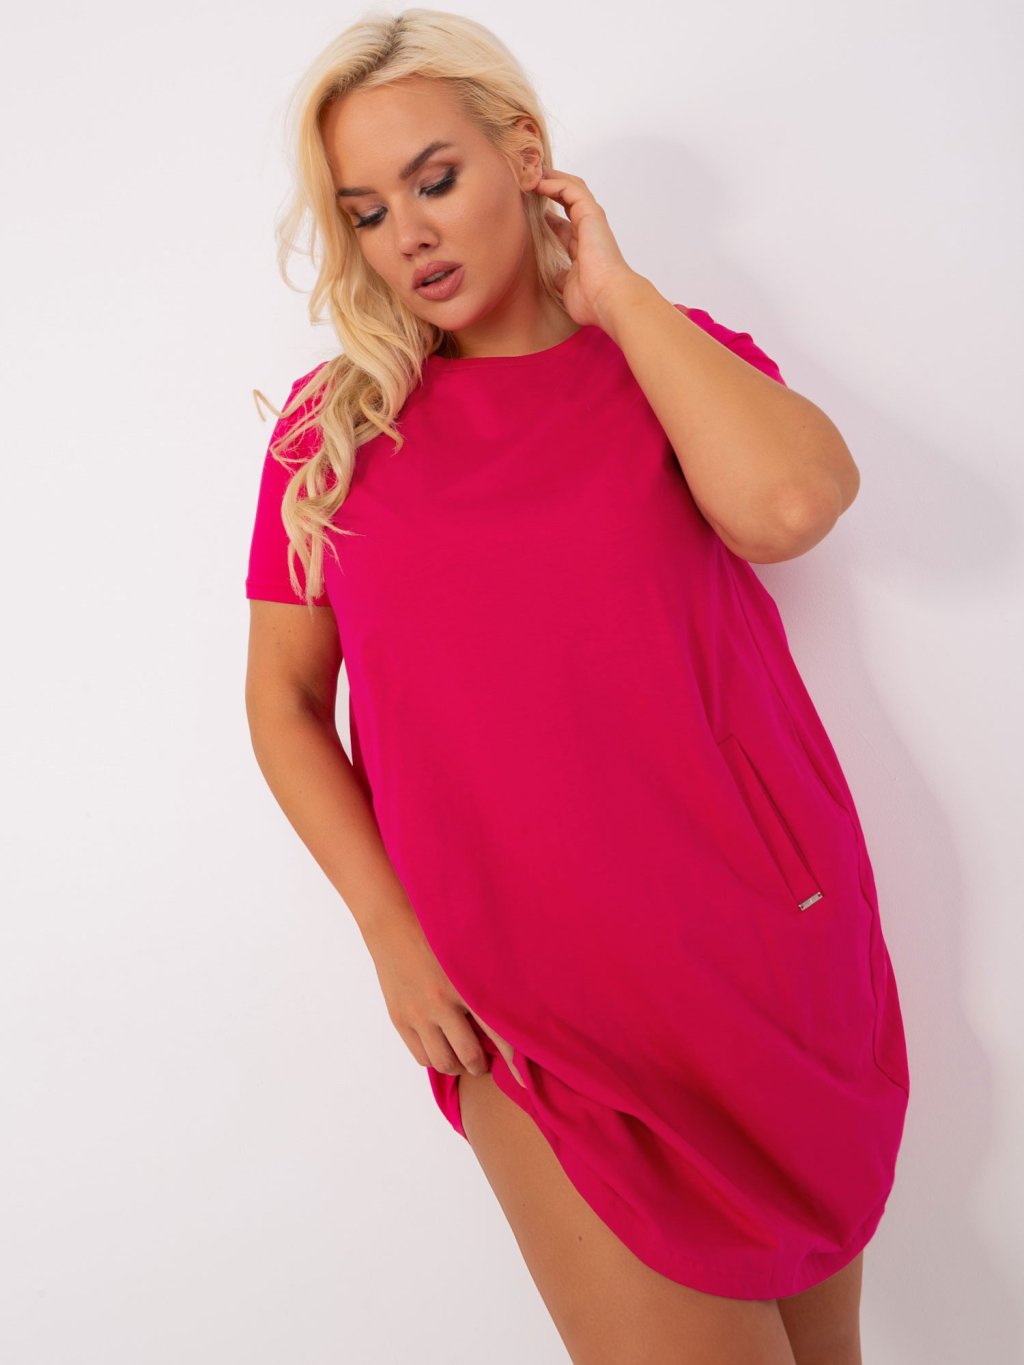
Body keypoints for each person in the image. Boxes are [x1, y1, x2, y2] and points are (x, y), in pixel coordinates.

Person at [243, 10, 910, 1363]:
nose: (408, 235)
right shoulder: (335, 432)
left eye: (436, 179)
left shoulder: (667, 359)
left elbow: (790, 506)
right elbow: (285, 706)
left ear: (523, 154)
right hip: (526, 1003)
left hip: (762, 969)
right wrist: (390, 929)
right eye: (367, 212)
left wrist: (613, 292)